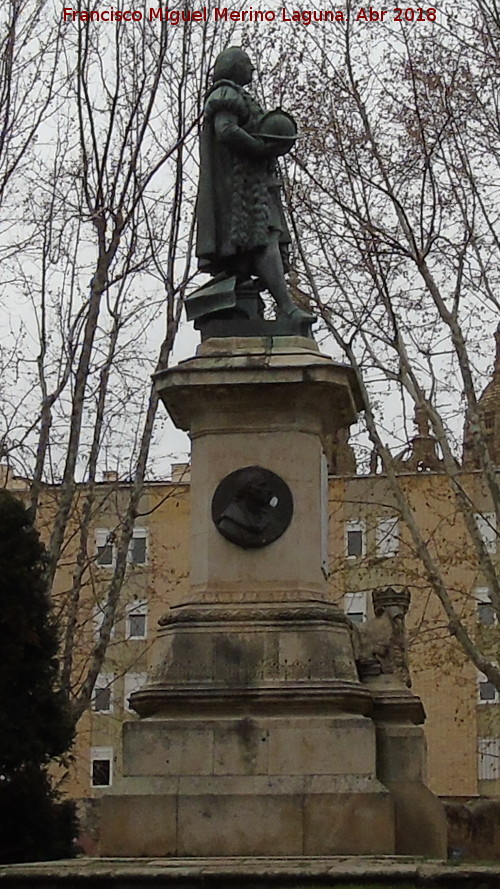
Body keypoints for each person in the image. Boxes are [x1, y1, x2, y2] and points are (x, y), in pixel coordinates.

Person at [195, 46, 313, 322]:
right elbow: (225, 130)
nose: (252, 69)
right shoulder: (225, 94)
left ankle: (248, 293)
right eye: (247, 63)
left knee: (261, 242)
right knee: (266, 238)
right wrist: (260, 148)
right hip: (243, 190)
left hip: (253, 184)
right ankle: (286, 306)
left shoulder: (238, 96)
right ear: (233, 66)